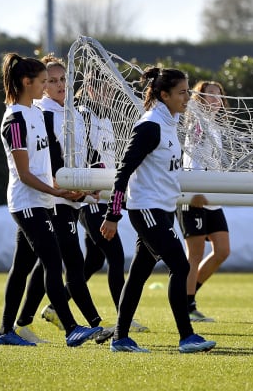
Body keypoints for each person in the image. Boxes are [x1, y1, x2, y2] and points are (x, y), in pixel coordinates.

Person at [100, 66, 216, 353]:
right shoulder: (150, 125)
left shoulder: (169, 124)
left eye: (188, 91)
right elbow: (123, 173)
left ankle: (120, 338)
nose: (187, 97)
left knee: (138, 275)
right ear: (164, 95)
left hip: (162, 209)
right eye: (181, 92)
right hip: (147, 210)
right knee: (181, 265)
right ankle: (187, 336)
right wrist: (113, 215)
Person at [0, 52, 102, 347]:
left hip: (41, 200)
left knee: (21, 269)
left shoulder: (34, 113)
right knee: (53, 263)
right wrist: (56, 193)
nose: (47, 86)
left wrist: (68, 187)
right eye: (43, 81)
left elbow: (45, 164)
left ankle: (6, 330)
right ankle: (71, 329)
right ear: (26, 82)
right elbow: (25, 173)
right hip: (27, 203)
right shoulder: (14, 119)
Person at [75, 82, 148, 333]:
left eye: (109, 89)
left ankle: (55, 304)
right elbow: (83, 151)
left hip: (104, 195)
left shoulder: (106, 118)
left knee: (94, 260)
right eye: (101, 88)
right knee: (115, 256)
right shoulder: (83, 113)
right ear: (89, 88)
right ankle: (122, 318)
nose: (107, 92)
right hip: (89, 196)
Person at [178, 80, 232, 322]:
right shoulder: (197, 124)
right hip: (195, 195)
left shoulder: (214, 126)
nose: (216, 100)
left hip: (212, 197)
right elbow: (193, 159)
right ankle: (187, 306)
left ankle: (187, 295)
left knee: (222, 250)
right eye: (210, 95)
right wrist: (196, 189)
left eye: (218, 95)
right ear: (198, 100)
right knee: (195, 253)